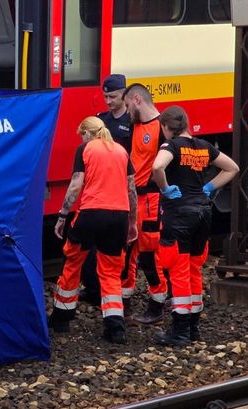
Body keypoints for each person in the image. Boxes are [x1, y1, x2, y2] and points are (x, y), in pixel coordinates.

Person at [150, 105, 239, 346]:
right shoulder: (204, 147)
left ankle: (179, 332)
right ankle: (193, 328)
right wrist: (209, 187)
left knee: (177, 271)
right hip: (202, 213)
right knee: (193, 270)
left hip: (179, 215)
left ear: (167, 128)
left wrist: (165, 188)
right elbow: (232, 168)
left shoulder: (171, 145)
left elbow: (157, 166)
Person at [49, 116, 138, 344]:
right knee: (110, 271)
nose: (81, 138)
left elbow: (76, 184)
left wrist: (62, 215)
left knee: (73, 262)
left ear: (88, 134)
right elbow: (131, 191)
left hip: (90, 214)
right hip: (118, 216)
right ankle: (115, 327)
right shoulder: (121, 151)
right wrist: (132, 223)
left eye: (82, 134)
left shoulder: (85, 148)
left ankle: (61, 318)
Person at [81, 73, 134, 304]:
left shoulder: (132, 123)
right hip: (101, 189)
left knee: (122, 249)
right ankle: (94, 290)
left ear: (124, 94)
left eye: (112, 96)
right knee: (94, 248)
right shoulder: (102, 120)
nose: (108, 101)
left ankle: (122, 291)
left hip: (122, 190)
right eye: (105, 97)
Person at [121, 83, 169, 324]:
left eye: (128, 105)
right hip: (133, 197)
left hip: (150, 199)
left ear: (137, 99)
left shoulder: (162, 127)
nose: (127, 111)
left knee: (150, 254)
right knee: (128, 250)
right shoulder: (134, 126)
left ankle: (157, 304)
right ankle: (124, 303)